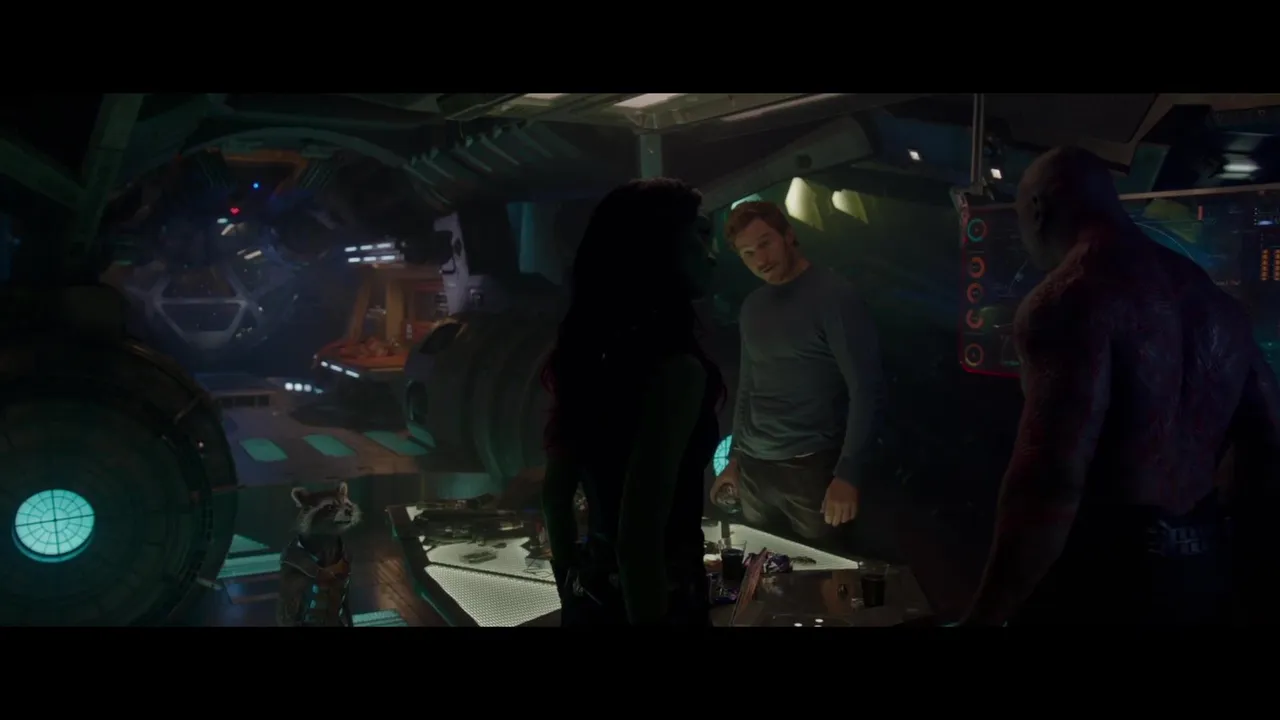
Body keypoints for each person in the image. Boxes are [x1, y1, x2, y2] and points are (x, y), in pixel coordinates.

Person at [961, 146, 1280, 626]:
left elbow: (1050, 479)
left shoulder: (1069, 298)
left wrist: (985, 615)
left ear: (1038, 211)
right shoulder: (1216, 304)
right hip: (1200, 571)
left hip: (1103, 579)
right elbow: (1268, 445)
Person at [540, 178, 723, 626]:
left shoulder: (590, 356)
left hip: (593, 595)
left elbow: (556, 496)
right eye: (699, 236)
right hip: (660, 599)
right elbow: (639, 539)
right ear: (659, 248)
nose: (712, 254)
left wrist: (572, 588)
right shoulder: (678, 370)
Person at [709, 201, 885, 546]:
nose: (760, 259)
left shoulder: (834, 296)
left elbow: (866, 389)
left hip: (811, 468)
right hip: (754, 470)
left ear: (788, 235)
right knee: (759, 566)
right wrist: (735, 460)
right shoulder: (752, 306)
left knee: (822, 568)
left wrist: (848, 473)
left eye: (765, 243)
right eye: (748, 253)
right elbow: (749, 386)